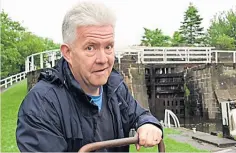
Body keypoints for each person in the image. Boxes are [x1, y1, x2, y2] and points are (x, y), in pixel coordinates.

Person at [16, 1, 163, 152]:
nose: (103, 59)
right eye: (90, 48)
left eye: (108, 47)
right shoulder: (41, 106)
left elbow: (139, 114)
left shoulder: (115, 86)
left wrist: (148, 123)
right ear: (68, 53)